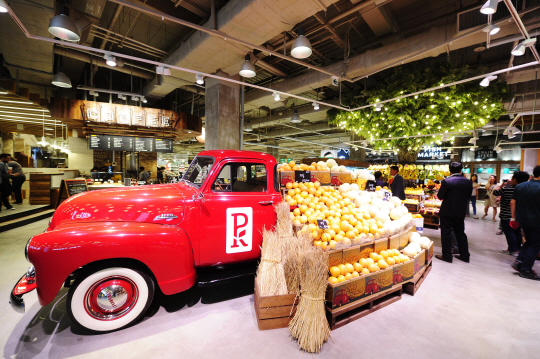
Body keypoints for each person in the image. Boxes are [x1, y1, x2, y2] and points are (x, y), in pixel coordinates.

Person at [435, 162, 472, 263]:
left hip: (447, 212)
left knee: (446, 233)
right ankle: (465, 255)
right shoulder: (468, 182)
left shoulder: (446, 181)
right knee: (460, 233)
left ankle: (447, 256)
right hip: (460, 211)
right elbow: (468, 196)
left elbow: (440, 196)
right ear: (461, 170)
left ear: (449, 170)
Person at [510, 165, 540, 280]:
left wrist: (513, 218)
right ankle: (526, 269)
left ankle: (519, 262)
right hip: (537, 221)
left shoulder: (521, 186)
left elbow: (513, 202)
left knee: (528, 242)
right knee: (535, 245)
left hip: (522, 220)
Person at [493, 172, 529, 255]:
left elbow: (495, 193)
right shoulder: (525, 190)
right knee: (517, 232)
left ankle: (513, 249)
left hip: (506, 215)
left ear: (515, 179)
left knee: (509, 233)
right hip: (520, 215)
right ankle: (517, 248)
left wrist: (501, 186)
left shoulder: (507, 188)